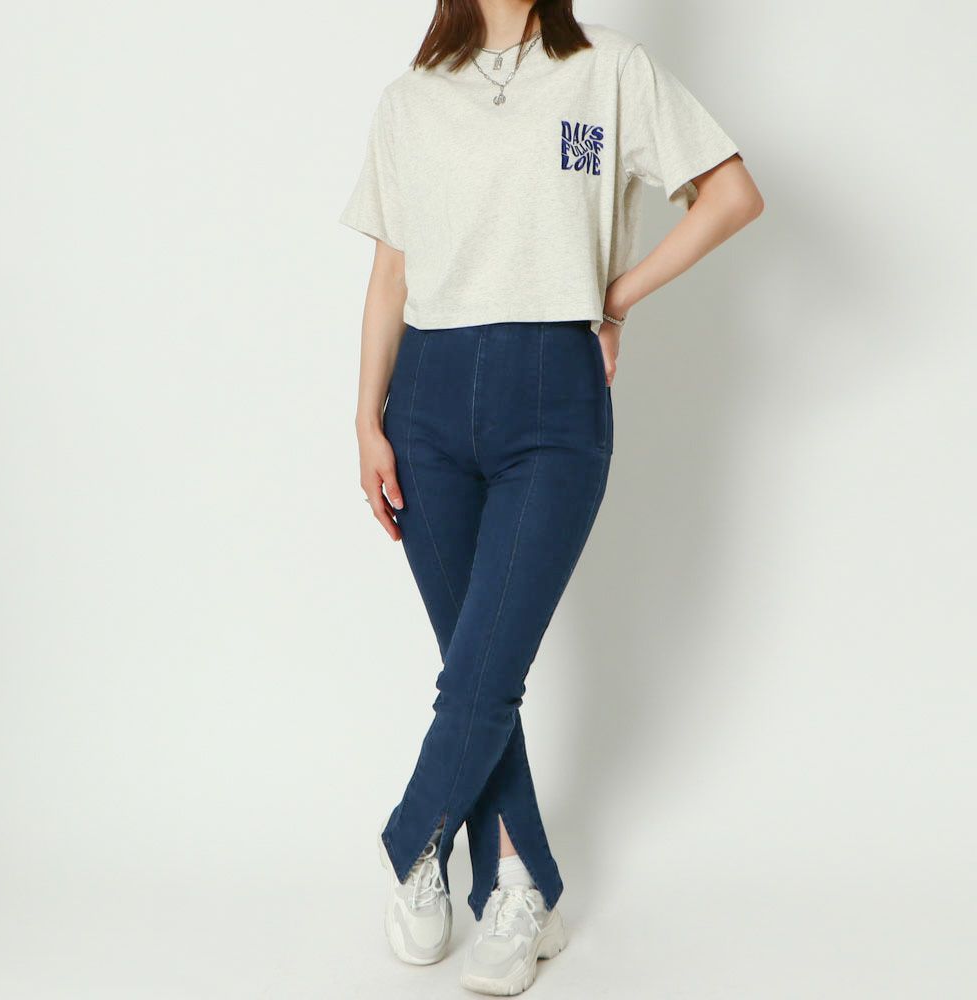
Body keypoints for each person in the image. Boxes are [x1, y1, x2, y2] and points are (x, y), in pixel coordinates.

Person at [338, 1, 763, 993]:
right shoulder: (410, 99)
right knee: (477, 666)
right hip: (424, 404)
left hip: (553, 397)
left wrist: (615, 294)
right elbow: (390, 273)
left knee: (481, 676)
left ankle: (415, 838)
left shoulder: (610, 70)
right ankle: (520, 883)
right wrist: (365, 421)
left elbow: (731, 194)